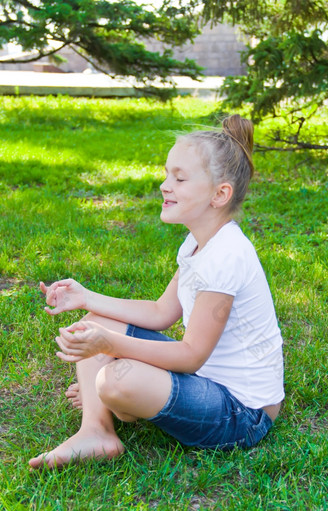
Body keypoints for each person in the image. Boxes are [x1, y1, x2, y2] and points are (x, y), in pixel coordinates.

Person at [29, 115, 284, 469]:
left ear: (219, 194)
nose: (165, 185)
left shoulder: (227, 256)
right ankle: (97, 430)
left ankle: (118, 401)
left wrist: (109, 347)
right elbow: (161, 312)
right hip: (205, 382)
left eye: (179, 178)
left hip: (242, 414)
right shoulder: (198, 243)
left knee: (116, 380)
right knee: (93, 324)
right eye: (167, 174)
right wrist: (87, 298)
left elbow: (191, 355)